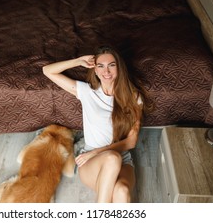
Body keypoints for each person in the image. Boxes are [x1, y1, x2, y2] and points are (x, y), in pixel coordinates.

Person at [42, 45, 145, 203]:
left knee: (122, 191)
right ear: (95, 71)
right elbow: (47, 71)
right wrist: (78, 61)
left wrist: (97, 152)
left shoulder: (133, 97)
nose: (106, 71)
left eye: (112, 65)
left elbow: (131, 141)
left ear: (119, 68)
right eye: (101, 66)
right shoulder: (87, 92)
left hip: (122, 158)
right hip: (91, 161)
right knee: (111, 158)